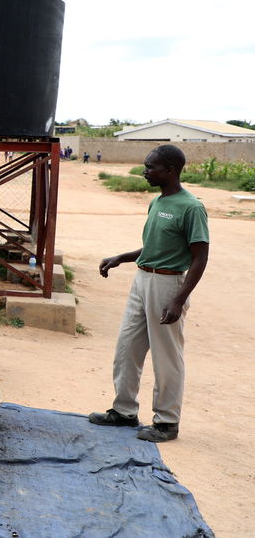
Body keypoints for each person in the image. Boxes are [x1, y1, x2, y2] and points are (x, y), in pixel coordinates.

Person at [89, 144, 209, 442]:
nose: (145, 171)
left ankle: (167, 421)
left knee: (167, 356)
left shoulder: (191, 207)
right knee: (127, 348)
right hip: (142, 280)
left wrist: (178, 299)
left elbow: (200, 257)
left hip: (167, 285)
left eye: (150, 166)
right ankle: (124, 412)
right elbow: (154, 247)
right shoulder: (158, 202)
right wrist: (122, 257)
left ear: (170, 170)